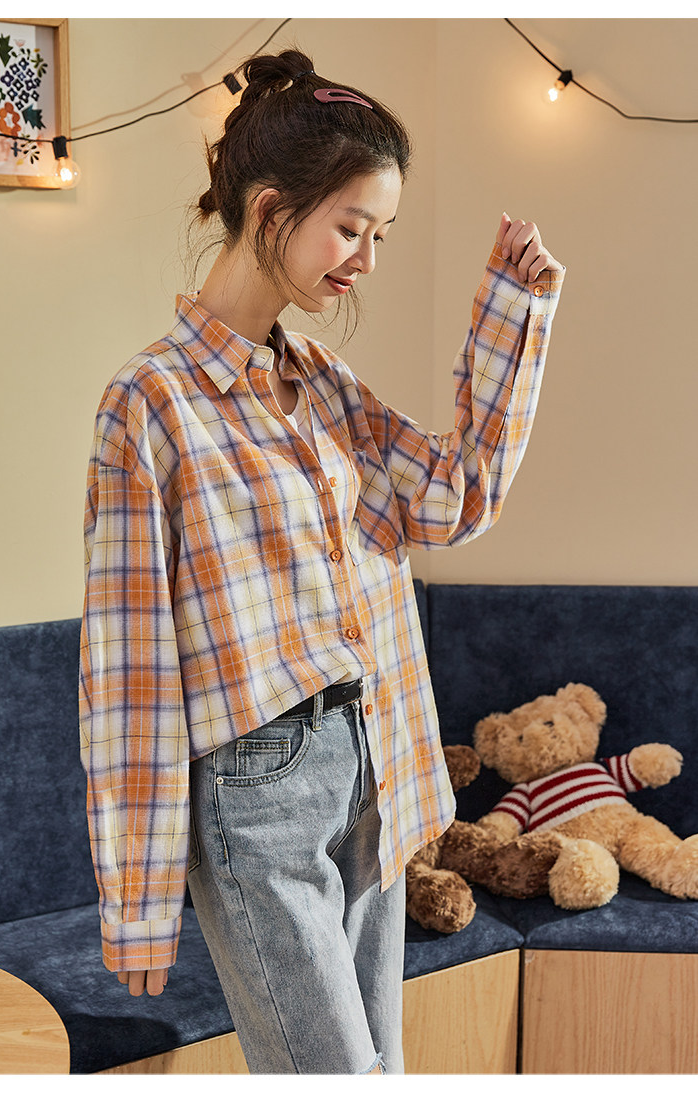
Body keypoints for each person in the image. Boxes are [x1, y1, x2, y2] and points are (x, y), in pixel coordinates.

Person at [78, 47, 564, 1076]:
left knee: (378, 1070)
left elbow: (452, 497)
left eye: (380, 234)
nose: (366, 260)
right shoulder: (149, 404)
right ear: (269, 210)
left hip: (372, 754)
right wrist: (138, 899)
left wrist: (514, 316)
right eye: (351, 227)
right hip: (256, 788)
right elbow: (127, 668)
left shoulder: (327, 383)